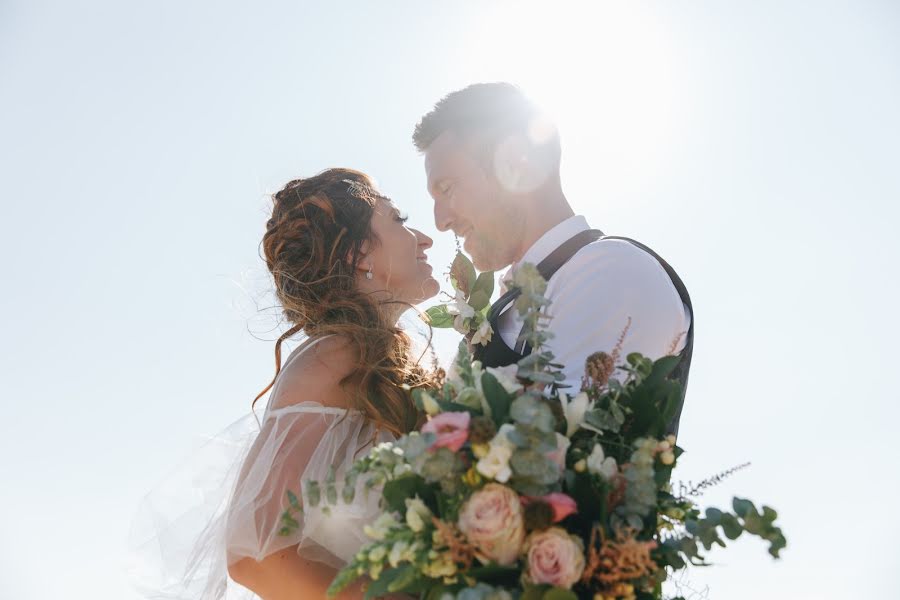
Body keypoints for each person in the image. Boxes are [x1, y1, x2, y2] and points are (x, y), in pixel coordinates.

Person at [129, 168, 439, 600]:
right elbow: (257, 552)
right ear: (359, 255)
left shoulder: (380, 362)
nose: (424, 238)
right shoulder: (335, 355)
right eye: (400, 220)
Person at [413, 83, 694, 435]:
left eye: (447, 188)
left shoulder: (612, 272)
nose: (441, 222)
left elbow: (555, 452)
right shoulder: (511, 305)